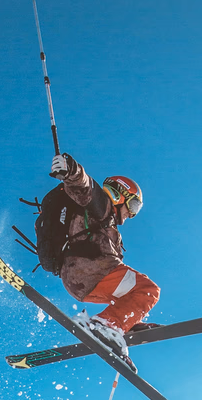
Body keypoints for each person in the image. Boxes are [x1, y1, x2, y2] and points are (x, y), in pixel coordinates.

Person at [50, 152, 160, 369]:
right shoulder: (101, 205)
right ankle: (107, 324)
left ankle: (123, 323)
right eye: (133, 206)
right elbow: (84, 186)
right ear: (120, 194)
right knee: (148, 289)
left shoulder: (109, 226)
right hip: (92, 269)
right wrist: (70, 169)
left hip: (79, 281)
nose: (131, 214)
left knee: (130, 293)